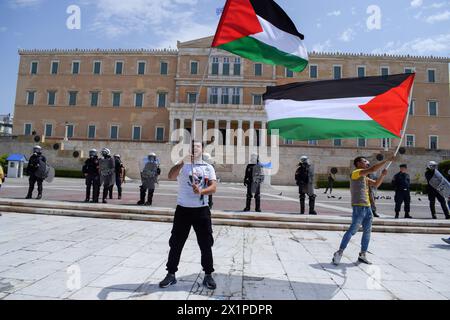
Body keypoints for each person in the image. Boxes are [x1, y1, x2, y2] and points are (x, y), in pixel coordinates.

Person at [159, 141, 217, 290]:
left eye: (197, 146)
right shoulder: (182, 165)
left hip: (201, 210)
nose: (194, 148)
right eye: (192, 146)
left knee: (205, 244)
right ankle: (171, 274)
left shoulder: (208, 167)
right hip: (183, 209)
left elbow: (213, 187)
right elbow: (170, 176)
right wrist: (181, 163)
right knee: (176, 243)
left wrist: (201, 191)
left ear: (202, 149)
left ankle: (208, 274)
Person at [332, 156, 393, 265]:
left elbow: (376, 184)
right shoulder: (356, 172)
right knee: (352, 230)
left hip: (368, 207)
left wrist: (383, 176)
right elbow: (373, 169)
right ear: (358, 163)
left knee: (367, 231)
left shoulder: (364, 177)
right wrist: (387, 160)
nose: (367, 163)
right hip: (358, 207)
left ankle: (362, 254)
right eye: (365, 161)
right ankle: (339, 253)